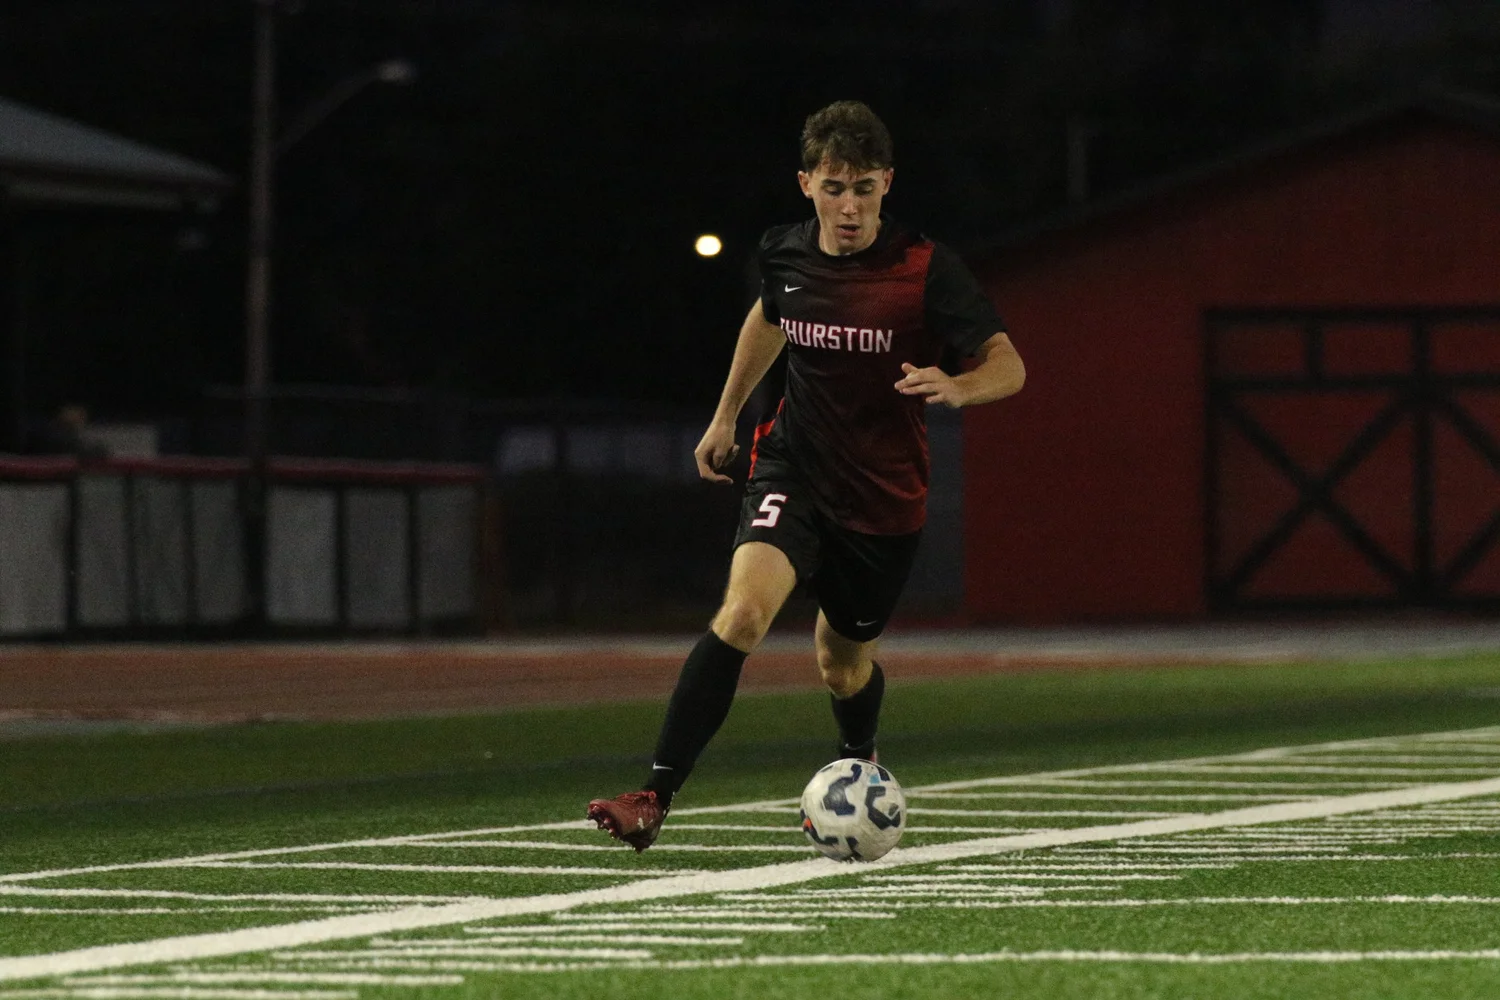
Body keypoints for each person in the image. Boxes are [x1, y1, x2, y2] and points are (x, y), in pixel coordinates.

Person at [587, 100, 1026, 851]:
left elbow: (1009, 365)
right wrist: (726, 416)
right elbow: (769, 317)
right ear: (806, 185)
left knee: (842, 665)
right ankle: (653, 796)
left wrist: (960, 387)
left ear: (887, 184)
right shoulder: (785, 253)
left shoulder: (926, 270)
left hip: (883, 499)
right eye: (833, 188)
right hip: (791, 467)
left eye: (863, 188)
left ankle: (860, 758)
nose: (849, 206)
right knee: (742, 615)